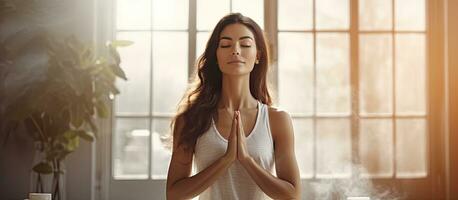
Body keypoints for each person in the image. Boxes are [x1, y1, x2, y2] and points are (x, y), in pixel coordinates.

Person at [166, 13, 301, 200]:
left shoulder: (277, 120)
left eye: (245, 44)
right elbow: (174, 194)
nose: (236, 50)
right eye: (226, 45)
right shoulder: (191, 119)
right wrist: (225, 160)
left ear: (257, 56)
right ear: (216, 55)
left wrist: (246, 161)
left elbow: (292, 195)